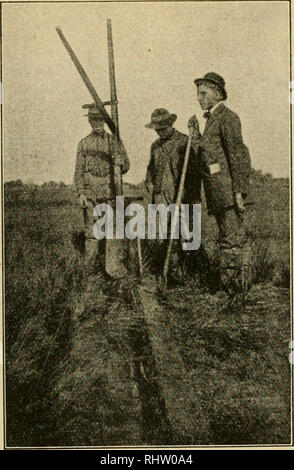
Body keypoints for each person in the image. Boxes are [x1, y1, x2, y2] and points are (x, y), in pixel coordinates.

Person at [188, 72, 252, 291]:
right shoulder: (211, 120)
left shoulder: (227, 117)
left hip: (227, 192)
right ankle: (230, 287)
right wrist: (195, 134)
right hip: (217, 192)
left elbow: (238, 155)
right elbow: (207, 155)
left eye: (203, 93)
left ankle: (233, 290)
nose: (199, 98)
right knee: (227, 238)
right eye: (198, 94)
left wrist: (239, 191)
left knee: (232, 240)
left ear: (217, 93)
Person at [145, 108, 201, 280]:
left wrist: (187, 194)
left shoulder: (185, 142)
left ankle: (192, 272)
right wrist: (149, 182)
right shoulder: (155, 146)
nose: (159, 132)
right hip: (162, 195)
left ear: (170, 125)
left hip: (182, 195)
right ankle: (171, 271)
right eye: (157, 129)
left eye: (162, 129)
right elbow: (151, 169)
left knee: (188, 234)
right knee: (166, 233)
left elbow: (194, 172)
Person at [74, 103, 130, 271]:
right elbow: (78, 171)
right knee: (91, 233)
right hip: (91, 195)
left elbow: (126, 165)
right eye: (93, 120)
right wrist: (80, 193)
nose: (97, 123)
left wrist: (121, 163)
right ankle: (90, 269)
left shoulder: (114, 141)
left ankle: (112, 267)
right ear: (89, 122)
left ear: (105, 121)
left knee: (112, 232)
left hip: (110, 193)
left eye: (100, 119)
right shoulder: (83, 144)